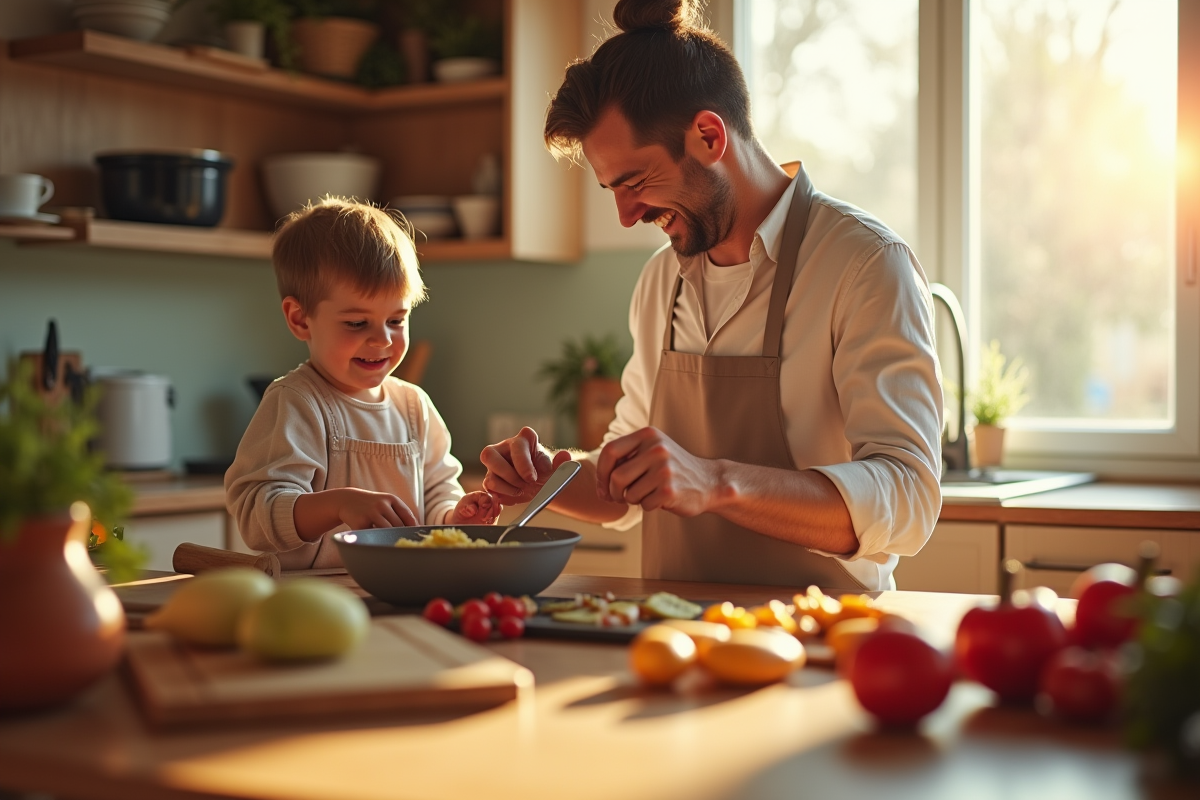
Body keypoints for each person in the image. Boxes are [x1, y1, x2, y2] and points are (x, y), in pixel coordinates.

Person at [480, 0, 942, 592]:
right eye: (611, 190)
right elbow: (625, 483)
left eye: (636, 182)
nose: (625, 216)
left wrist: (717, 481)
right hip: (670, 644)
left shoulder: (863, 264)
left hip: (825, 641)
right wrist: (547, 479)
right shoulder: (659, 282)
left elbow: (908, 500)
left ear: (707, 135)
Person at [226, 198, 499, 570]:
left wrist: (456, 517)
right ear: (301, 319)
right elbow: (258, 516)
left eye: (397, 320)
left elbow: (436, 491)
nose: (383, 340)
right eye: (357, 323)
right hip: (314, 602)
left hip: (402, 591)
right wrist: (340, 504)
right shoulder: (296, 403)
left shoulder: (414, 406)